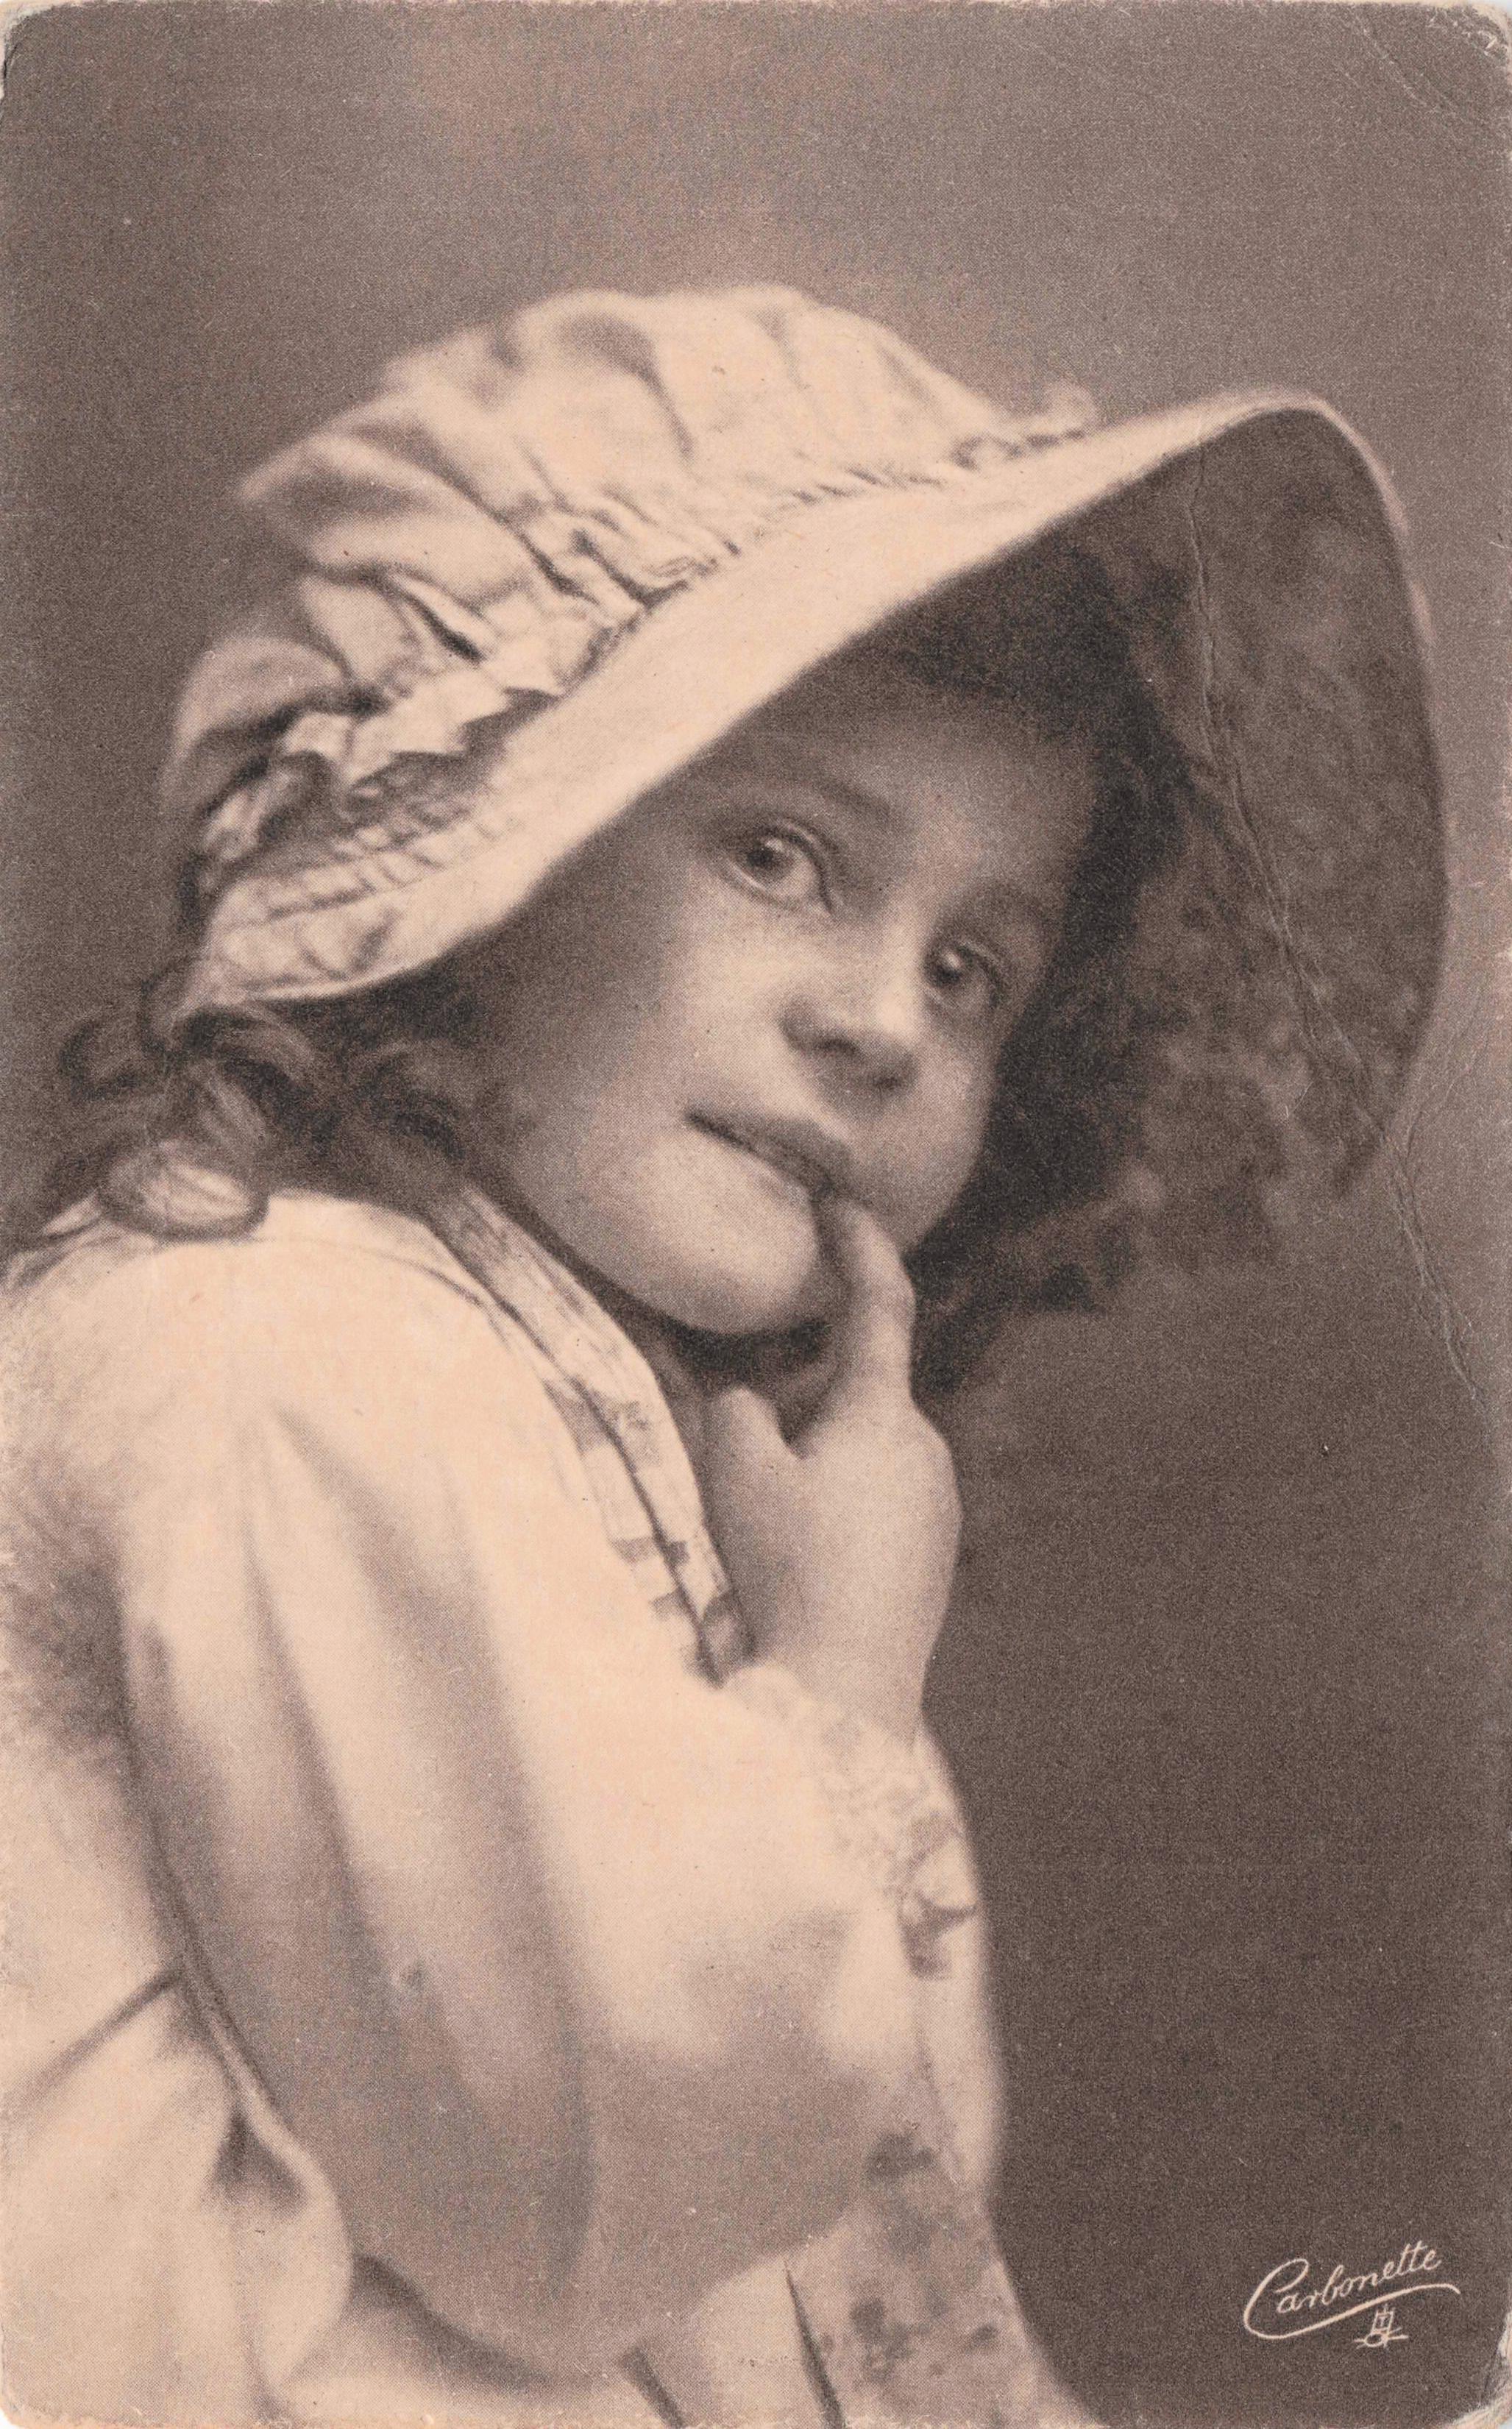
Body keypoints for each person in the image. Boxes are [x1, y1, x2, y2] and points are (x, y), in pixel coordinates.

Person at [0, 287, 1444, 2427]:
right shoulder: (279, 1347)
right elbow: (593, 2188)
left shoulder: (598, 1416)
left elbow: (818, 2224)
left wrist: (825, 1680)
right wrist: (839, 1688)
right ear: (487, 868)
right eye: (782, 858)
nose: (881, 1022)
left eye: (972, 967)